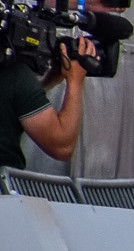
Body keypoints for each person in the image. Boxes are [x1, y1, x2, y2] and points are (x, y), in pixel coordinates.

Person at [0, 37, 86, 169]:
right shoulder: (15, 74)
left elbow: (13, 102)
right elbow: (62, 147)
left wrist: (47, 82)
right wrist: (75, 80)